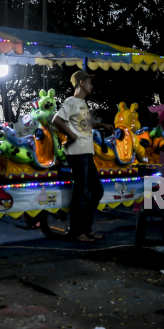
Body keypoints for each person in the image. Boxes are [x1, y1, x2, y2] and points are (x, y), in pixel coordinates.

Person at [52, 70, 112, 243]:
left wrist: (101, 124)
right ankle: (77, 232)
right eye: (89, 81)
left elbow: (83, 125)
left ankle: (86, 229)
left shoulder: (82, 103)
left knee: (96, 190)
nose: (91, 85)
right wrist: (71, 136)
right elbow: (57, 119)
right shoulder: (71, 102)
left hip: (86, 151)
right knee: (81, 192)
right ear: (81, 83)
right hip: (77, 152)